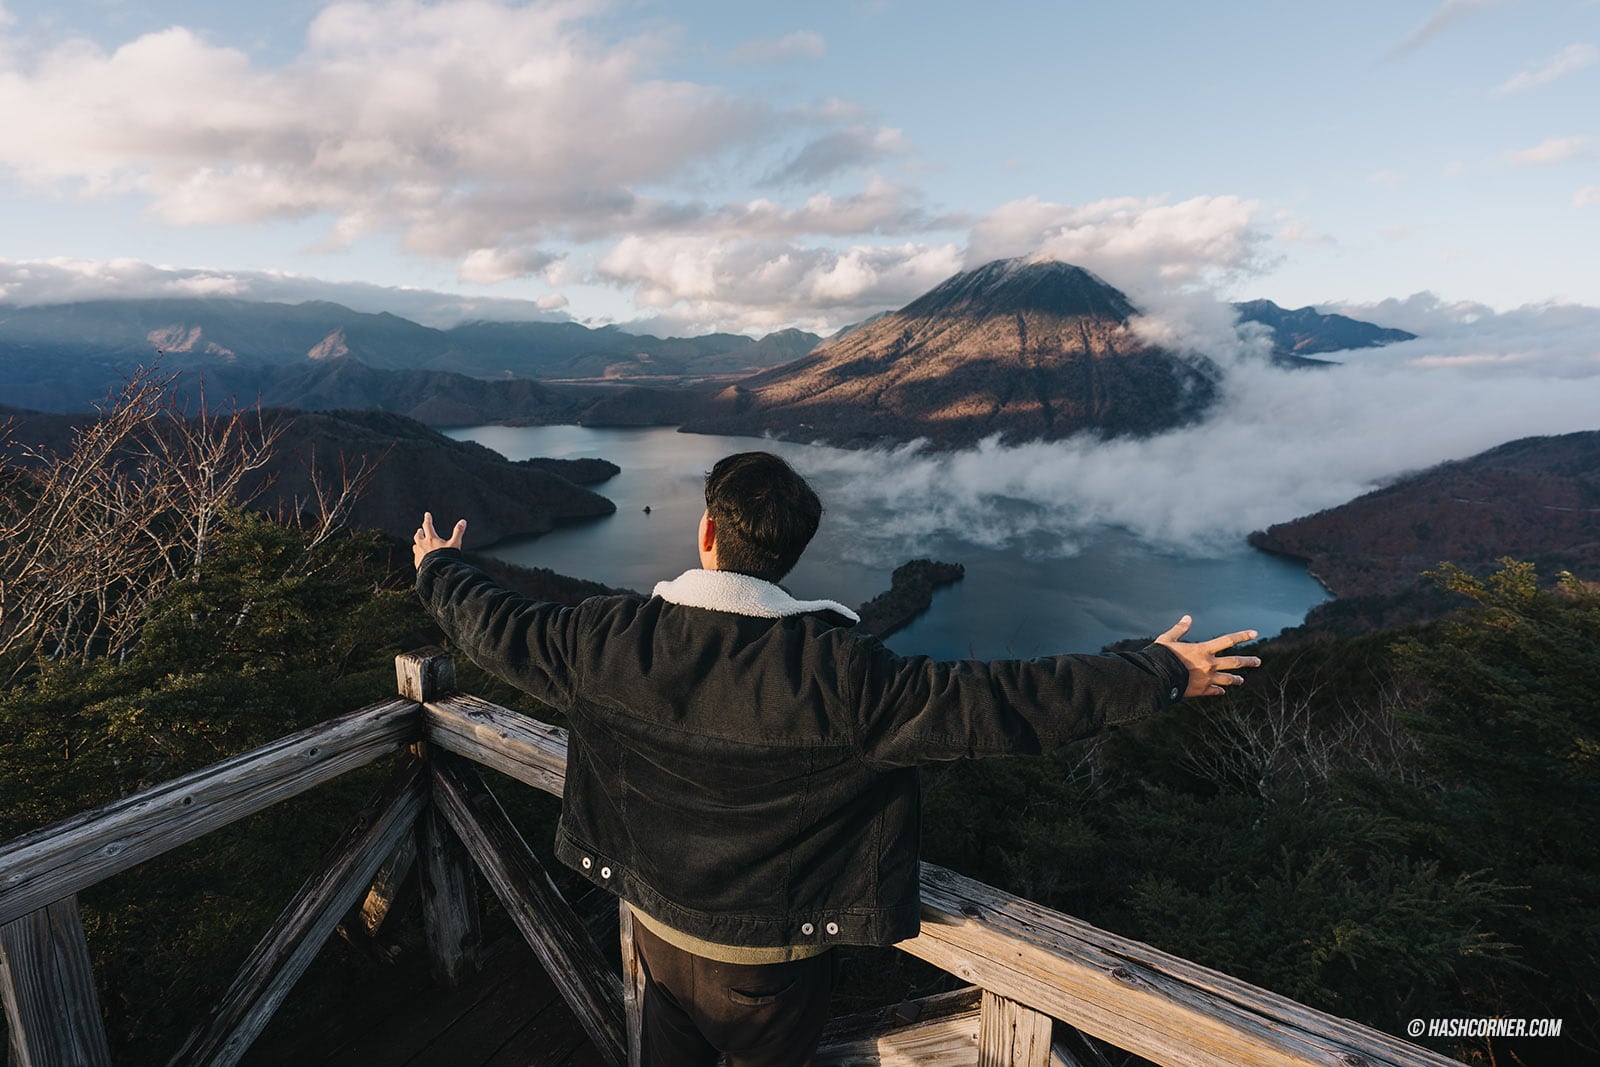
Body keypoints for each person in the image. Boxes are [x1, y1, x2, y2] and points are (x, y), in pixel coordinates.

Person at [412, 450, 1260, 1067]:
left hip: (653, 930)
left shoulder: (608, 637)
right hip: (768, 970)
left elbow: (499, 626)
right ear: (788, 554)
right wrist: (1155, 672)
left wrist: (440, 568)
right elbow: (1009, 702)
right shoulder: (844, 675)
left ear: (706, 530)